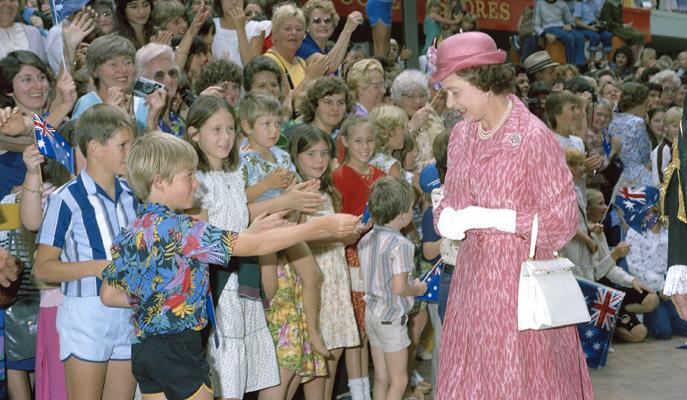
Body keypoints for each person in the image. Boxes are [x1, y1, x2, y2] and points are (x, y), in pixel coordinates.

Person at [99, 131, 358, 400]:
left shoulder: (132, 231)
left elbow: (108, 294)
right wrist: (319, 225)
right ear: (160, 182)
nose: (196, 184)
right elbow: (253, 249)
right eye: (188, 176)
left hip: (144, 350)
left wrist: (161, 299)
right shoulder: (182, 229)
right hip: (180, 350)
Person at [430, 31, 592, 398]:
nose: (450, 102)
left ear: (485, 82)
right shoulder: (460, 136)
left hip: (521, 287)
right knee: (469, 381)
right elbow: (452, 201)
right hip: (471, 283)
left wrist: (495, 218)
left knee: (518, 383)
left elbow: (562, 221)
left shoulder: (534, 137)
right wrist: (446, 215)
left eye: (456, 91)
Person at [33, 104, 139, 400]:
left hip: (128, 308)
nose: (130, 152)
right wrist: (97, 267)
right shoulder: (65, 199)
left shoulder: (133, 195)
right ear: (95, 148)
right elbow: (43, 268)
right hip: (86, 312)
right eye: (123, 145)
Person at [290, 125, 360, 400]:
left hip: (335, 278)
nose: (318, 160)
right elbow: (296, 238)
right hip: (315, 277)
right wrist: (335, 234)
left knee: (335, 351)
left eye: (323, 153)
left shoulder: (327, 189)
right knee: (319, 358)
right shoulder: (298, 194)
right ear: (295, 157)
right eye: (310, 154)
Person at [358, 176, 427, 400]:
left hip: (372, 314)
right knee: (400, 380)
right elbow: (399, 287)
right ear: (403, 215)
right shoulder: (402, 245)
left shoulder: (365, 240)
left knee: (381, 377)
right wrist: (417, 288)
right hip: (391, 318)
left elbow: (364, 276)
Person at [333, 115, 385, 400]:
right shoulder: (339, 177)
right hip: (353, 256)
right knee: (356, 329)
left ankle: (373, 387)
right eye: (358, 141)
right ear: (345, 142)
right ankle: (359, 391)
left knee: (372, 327)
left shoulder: (379, 174)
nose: (365, 146)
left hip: (378, 255)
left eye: (370, 140)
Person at [72, 34, 137, 119]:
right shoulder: (87, 104)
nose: (123, 69)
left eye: (128, 62)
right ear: (95, 71)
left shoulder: (144, 104)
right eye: (113, 64)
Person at [298, 0, 363, 74]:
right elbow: (327, 67)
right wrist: (347, 30)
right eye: (317, 21)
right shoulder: (302, 46)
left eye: (327, 20)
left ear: (333, 25)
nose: (323, 24)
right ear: (306, 26)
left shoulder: (328, 51)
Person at [608, 82, 653, 187]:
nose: (646, 109)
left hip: (616, 173)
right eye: (645, 105)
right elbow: (645, 153)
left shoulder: (613, 118)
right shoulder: (637, 122)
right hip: (637, 175)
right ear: (638, 103)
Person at [212, 0, 267, 68]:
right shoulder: (212, 25)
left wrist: (240, 28)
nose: (234, 2)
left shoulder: (256, 28)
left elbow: (251, 67)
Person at [534, 0, 585, 67]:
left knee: (579, 36)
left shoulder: (562, 3)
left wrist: (570, 25)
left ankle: (579, 64)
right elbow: (536, 25)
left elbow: (570, 21)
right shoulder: (539, 3)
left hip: (561, 27)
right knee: (569, 37)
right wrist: (545, 35)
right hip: (549, 27)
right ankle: (570, 65)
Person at [652, 106, 682, 186]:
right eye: (675, 126)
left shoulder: (682, 147)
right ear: (666, 128)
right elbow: (658, 180)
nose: (679, 130)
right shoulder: (662, 150)